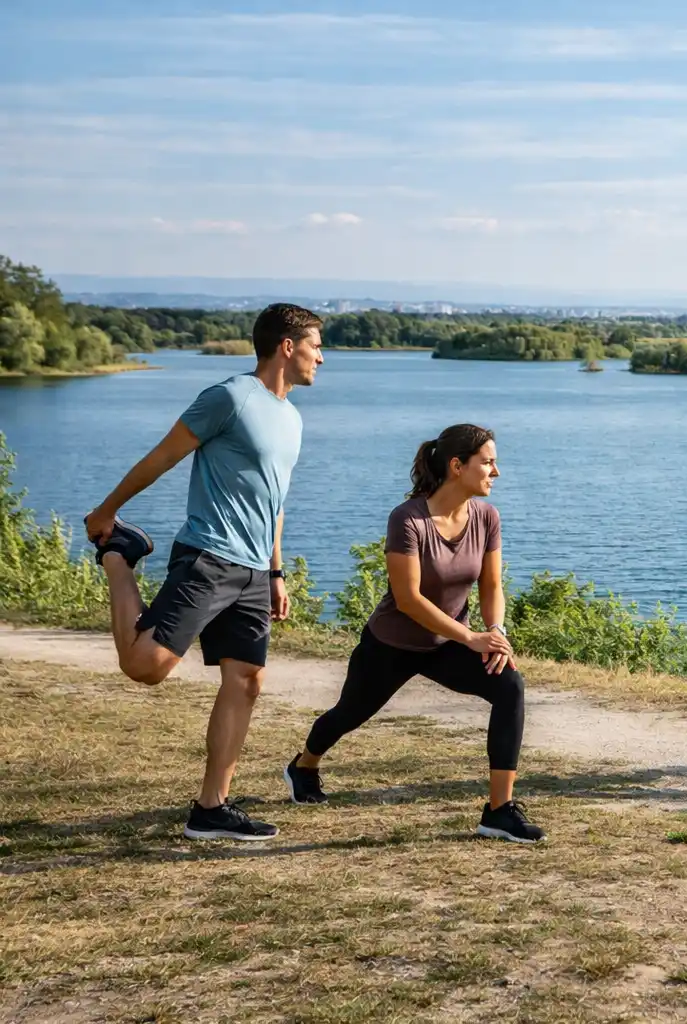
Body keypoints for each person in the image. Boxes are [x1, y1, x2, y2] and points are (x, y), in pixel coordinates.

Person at [83, 303, 323, 841]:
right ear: (287, 346)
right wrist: (106, 513)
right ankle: (120, 556)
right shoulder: (231, 397)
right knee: (145, 666)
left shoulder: (292, 418)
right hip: (209, 557)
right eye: (315, 345)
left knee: (246, 680)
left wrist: (277, 572)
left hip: (255, 570)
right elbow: (163, 456)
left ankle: (211, 808)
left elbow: (274, 500)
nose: (320, 358)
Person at [283, 424, 542, 843]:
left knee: (510, 684)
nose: (497, 472)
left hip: (447, 644)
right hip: (392, 645)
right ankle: (304, 765)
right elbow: (408, 600)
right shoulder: (408, 519)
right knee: (348, 714)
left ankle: (499, 811)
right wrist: (472, 637)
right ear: (457, 466)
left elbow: (491, 586)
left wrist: (494, 631)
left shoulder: (486, 517)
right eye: (489, 462)